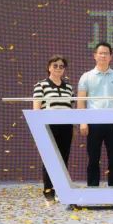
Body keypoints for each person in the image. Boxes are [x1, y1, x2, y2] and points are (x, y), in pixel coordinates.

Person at [77, 42, 113, 187]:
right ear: (95, 55)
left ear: (111, 56)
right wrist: (83, 122)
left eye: (106, 53)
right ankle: (93, 189)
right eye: (100, 53)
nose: (103, 56)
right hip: (93, 123)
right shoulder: (86, 77)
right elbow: (81, 101)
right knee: (93, 158)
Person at [33, 55, 75, 201]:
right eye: (55, 65)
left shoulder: (69, 87)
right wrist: (39, 128)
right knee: (49, 159)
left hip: (66, 127)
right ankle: (48, 191)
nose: (58, 68)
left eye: (61, 66)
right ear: (49, 67)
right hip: (48, 127)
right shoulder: (40, 85)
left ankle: (61, 191)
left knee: (63, 159)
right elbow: (36, 109)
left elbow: (71, 107)